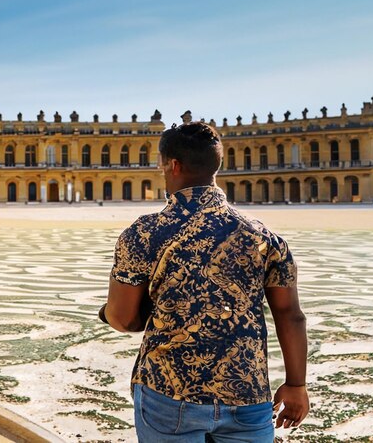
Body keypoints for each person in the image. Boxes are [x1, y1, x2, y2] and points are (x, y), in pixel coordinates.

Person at [99, 122, 309, 442]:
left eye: (162, 165)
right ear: (217, 165)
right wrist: (296, 385)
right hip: (248, 394)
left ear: (173, 165)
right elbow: (290, 315)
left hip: (169, 389)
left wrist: (107, 313)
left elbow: (125, 319)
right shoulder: (265, 238)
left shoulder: (143, 233)